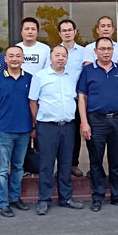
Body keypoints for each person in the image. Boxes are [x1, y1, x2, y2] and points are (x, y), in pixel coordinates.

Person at [77, 36, 118, 212]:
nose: (106, 52)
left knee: (117, 160)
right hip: (96, 120)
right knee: (96, 161)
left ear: (113, 51)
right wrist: (84, 122)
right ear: (95, 51)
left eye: (109, 49)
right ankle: (98, 196)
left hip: (117, 119)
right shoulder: (88, 71)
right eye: (102, 49)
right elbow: (82, 97)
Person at [29, 45, 85, 215]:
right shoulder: (40, 76)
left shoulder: (71, 77)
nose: (61, 58)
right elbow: (33, 101)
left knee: (66, 163)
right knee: (46, 164)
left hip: (68, 126)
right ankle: (44, 199)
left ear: (67, 59)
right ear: (51, 58)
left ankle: (66, 197)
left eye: (64, 56)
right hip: (47, 126)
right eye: (57, 55)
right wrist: (37, 122)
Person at [0, 46, 33, 218]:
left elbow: (33, 104)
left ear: (23, 58)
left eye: (18, 56)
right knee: (1, 169)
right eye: (11, 56)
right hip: (4, 130)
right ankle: (2, 202)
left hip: (24, 130)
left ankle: (15, 198)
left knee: (18, 167)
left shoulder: (29, 78)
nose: (15, 59)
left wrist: (34, 126)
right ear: (5, 59)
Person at [57, 19, 86, 178]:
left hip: (76, 99)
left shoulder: (83, 52)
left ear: (75, 32)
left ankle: (74, 164)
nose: (67, 33)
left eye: (70, 30)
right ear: (59, 33)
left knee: (74, 134)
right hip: (58, 99)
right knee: (59, 134)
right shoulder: (55, 52)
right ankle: (61, 166)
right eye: (64, 30)